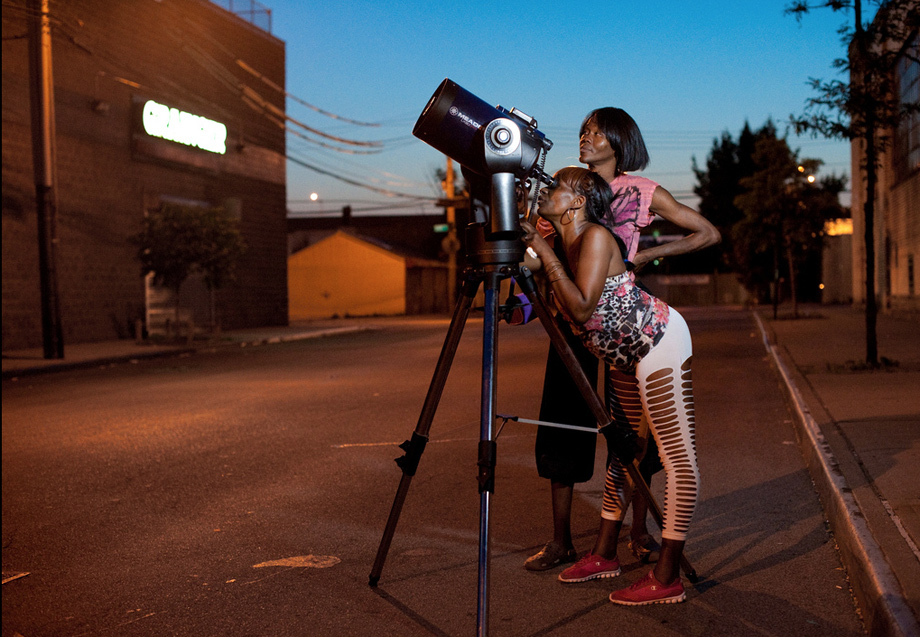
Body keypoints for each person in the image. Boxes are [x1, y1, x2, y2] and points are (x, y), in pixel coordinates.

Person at [524, 107, 719, 572]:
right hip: (576, 320)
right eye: (583, 131)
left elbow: (706, 233)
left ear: (618, 139)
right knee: (565, 422)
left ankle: (641, 533)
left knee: (637, 437)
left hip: (620, 314)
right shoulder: (565, 190)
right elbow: (539, 259)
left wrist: (649, 255)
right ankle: (568, 541)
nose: (585, 137)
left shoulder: (640, 191)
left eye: (595, 131)